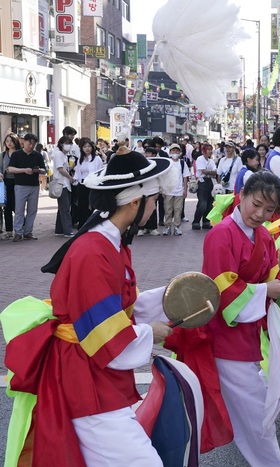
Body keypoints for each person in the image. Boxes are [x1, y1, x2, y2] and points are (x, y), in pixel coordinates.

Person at [4, 145, 176, 465]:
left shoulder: (110, 242)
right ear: (135, 201)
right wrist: (150, 333)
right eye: (154, 200)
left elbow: (119, 307)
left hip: (93, 371)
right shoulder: (94, 251)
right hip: (87, 379)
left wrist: (172, 297)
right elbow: (105, 334)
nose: (156, 207)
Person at [202, 171, 280, 466]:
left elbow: (273, 274)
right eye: (256, 204)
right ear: (241, 195)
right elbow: (221, 289)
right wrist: (266, 289)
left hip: (247, 332)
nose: (260, 214)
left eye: (269, 209)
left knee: (253, 412)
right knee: (257, 414)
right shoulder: (221, 235)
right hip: (226, 336)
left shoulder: (263, 236)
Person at [6, 133, 46, 242]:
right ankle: (18, 232)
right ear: (24, 142)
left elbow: (44, 170)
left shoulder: (37, 155)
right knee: (19, 210)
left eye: (33, 144)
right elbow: (10, 169)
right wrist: (24, 170)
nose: (31, 146)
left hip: (34, 186)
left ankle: (28, 232)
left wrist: (38, 170)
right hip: (20, 185)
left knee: (32, 210)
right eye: (29, 143)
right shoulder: (16, 154)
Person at [74, 140, 104, 228]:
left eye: (89, 146)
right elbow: (78, 172)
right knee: (82, 204)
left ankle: (93, 223)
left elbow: (100, 171)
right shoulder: (81, 159)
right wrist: (74, 180)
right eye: (85, 147)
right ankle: (82, 224)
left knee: (93, 204)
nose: (87, 149)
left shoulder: (97, 159)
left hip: (92, 184)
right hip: (82, 184)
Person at [162, 144, 191, 236]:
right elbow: (163, 177)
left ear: (180, 152)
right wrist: (162, 189)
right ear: (170, 152)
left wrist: (185, 190)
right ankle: (167, 226)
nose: (175, 153)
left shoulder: (182, 163)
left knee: (178, 210)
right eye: (173, 151)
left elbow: (185, 177)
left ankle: (177, 227)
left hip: (179, 190)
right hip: (168, 190)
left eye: (177, 151)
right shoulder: (167, 163)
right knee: (168, 209)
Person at [52, 136, 76, 238]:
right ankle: (67, 230)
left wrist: (70, 168)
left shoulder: (64, 155)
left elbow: (63, 168)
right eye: (66, 143)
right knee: (65, 208)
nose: (68, 145)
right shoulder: (58, 154)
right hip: (62, 184)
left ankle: (59, 229)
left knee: (62, 207)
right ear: (61, 144)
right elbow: (60, 169)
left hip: (65, 184)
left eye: (70, 143)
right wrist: (70, 177)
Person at [0, 133, 20, 237]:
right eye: (7, 141)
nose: (9, 143)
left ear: (16, 142)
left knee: (17, 206)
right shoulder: (3, 154)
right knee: (7, 206)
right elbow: (0, 167)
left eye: (11, 141)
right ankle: (9, 230)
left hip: (18, 182)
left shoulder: (20, 153)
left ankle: (20, 229)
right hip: (6, 182)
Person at [193, 142, 217, 230]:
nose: (210, 152)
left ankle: (206, 221)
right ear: (204, 151)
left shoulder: (211, 161)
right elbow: (203, 171)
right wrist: (210, 172)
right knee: (202, 203)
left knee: (210, 203)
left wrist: (210, 172)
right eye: (208, 150)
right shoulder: (200, 159)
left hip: (209, 182)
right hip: (202, 182)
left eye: (211, 150)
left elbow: (215, 171)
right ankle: (196, 221)